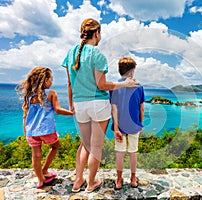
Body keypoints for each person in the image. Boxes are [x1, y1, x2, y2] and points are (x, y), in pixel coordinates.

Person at [61, 18, 138, 193]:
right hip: (98, 104)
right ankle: (91, 183)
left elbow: (69, 83)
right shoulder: (97, 55)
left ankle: (77, 181)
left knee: (85, 144)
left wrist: (72, 104)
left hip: (80, 104)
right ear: (97, 33)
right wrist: (123, 85)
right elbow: (102, 85)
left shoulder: (70, 53)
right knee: (95, 146)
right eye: (100, 33)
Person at [16, 66, 74, 189]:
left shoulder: (29, 96)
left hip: (31, 131)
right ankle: (45, 170)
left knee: (36, 156)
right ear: (45, 80)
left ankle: (40, 180)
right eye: (51, 79)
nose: (52, 82)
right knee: (55, 146)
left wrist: (26, 132)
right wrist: (72, 113)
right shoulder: (51, 93)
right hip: (46, 130)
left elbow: (24, 116)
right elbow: (58, 110)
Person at [110, 57, 145, 190]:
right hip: (134, 125)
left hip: (119, 126)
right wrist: (140, 123)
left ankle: (119, 180)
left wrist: (116, 127)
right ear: (131, 72)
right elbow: (141, 108)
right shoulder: (139, 86)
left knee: (120, 153)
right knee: (133, 153)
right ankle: (133, 179)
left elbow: (114, 108)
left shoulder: (114, 86)